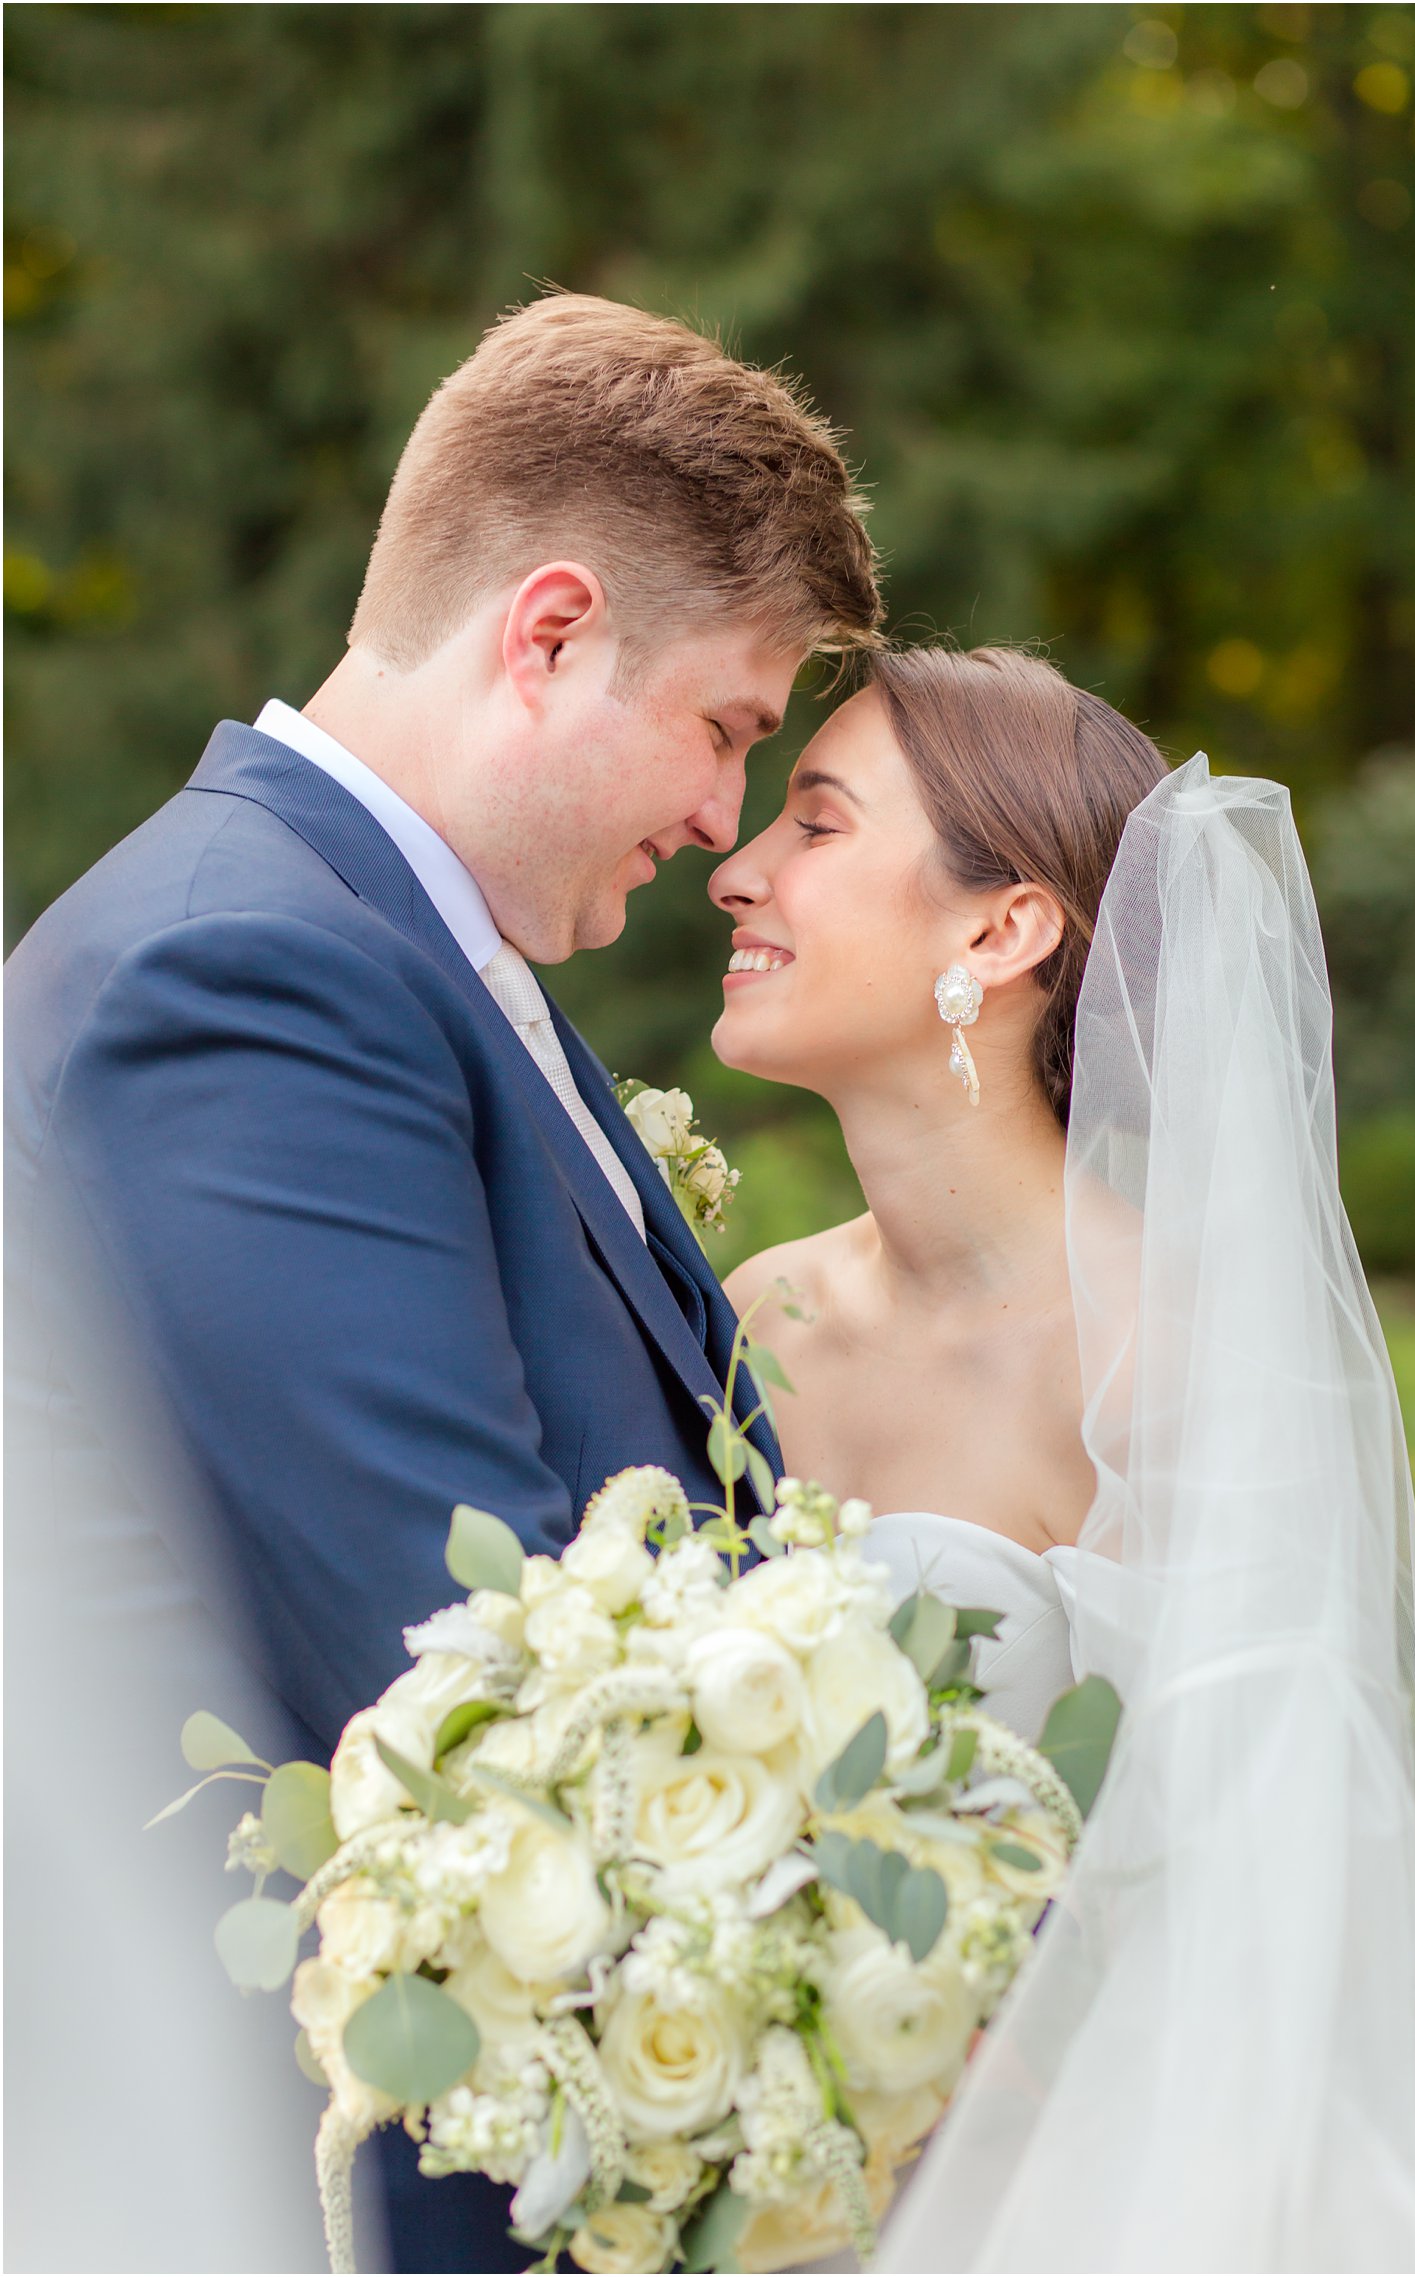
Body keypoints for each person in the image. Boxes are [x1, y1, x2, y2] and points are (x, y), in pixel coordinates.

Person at [3, 290, 879, 2275]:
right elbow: (462, 1651)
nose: (720, 820)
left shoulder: (403, 950)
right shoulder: (244, 976)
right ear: (550, 630)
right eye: (731, 725)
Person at [711, 644, 1415, 2271]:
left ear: (1001, 931)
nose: (736, 871)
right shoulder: (754, 1319)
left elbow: (1270, 1930)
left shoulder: (1184, 1358)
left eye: (815, 824)